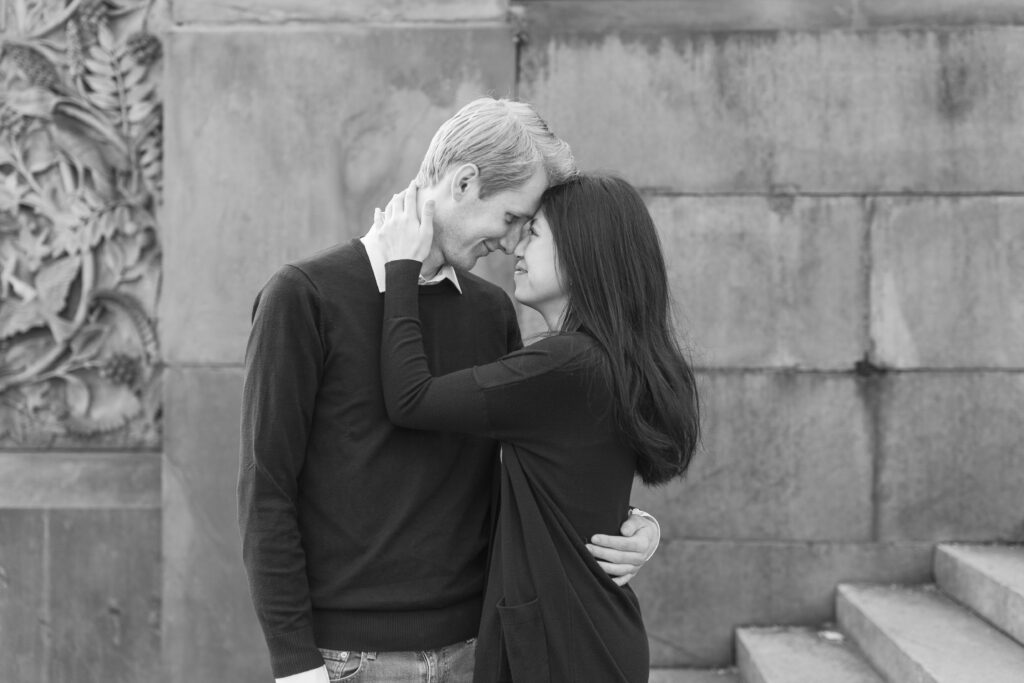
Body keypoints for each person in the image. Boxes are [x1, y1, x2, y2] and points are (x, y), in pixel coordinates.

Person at [238, 98, 662, 683]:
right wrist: (294, 663)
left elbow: (530, 465)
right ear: (464, 182)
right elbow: (266, 489)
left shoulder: (491, 312)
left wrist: (630, 521)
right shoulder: (304, 296)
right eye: (514, 218)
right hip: (350, 662)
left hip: (479, 652)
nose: (514, 243)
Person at [374, 173, 701, 682]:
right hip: (587, 637)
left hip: (560, 649)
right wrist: (639, 521)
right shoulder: (606, 360)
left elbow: (411, 399)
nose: (513, 248)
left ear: (581, 252)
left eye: (533, 233)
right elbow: (574, 477)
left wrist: (401, 270)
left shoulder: (564, 364)